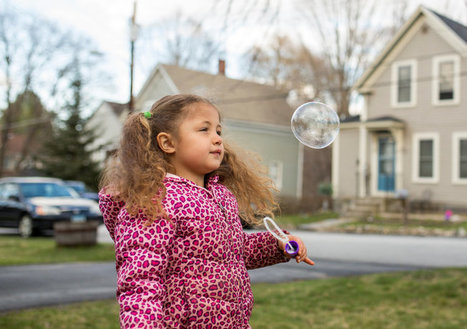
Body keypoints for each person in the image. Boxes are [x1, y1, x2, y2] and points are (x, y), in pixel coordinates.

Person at [99, 94, 314, 329]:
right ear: (168, 143)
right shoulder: (153, 201)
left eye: (219, 131)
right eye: (204, 129)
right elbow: (140, 284)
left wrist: (277, 245)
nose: (217, 140)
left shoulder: (221, 196)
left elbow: (233, 251)